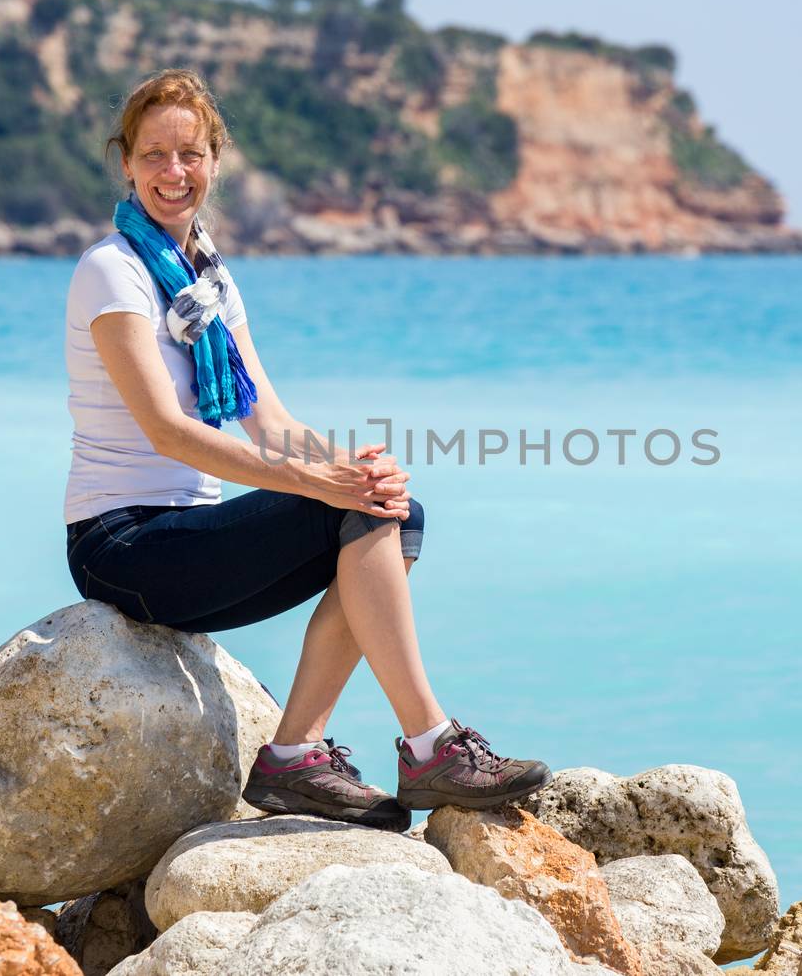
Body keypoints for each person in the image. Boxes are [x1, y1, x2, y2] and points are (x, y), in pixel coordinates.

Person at [62, 69, 548, 832]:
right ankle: (429, 743)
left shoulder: (209, 280)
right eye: (153, 154)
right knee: (339, 513)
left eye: (190, 153)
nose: (173, 172)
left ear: (216, 160)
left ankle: (295, 754)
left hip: (188, 540)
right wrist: (315, 485)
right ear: (125, 162)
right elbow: (167, 430)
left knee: (393, 509)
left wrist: (351, 470)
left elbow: (269, 419)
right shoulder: (112, 271)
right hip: (120, 545)